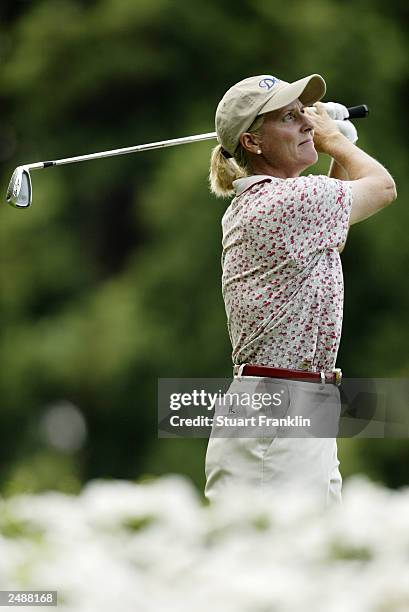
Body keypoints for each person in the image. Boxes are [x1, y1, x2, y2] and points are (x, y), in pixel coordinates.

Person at [205, 74, 396, 504]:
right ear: (253, 143)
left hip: (300, 407)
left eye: (305, 114)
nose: (308, 123)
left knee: (319, 562)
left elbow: (335, 234)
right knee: (267, 564)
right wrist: (335, 142)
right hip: (278, 413)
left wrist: (336, 144)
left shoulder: (286, 201)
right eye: (290, 118)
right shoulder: (283, 200)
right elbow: (384, 188)